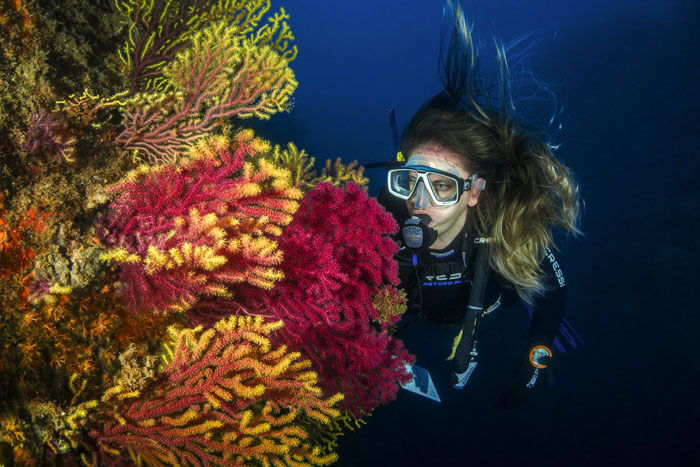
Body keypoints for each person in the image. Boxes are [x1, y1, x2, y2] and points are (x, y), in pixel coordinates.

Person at [377, 1, 582, 409]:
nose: (419, 202)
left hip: (483, 309)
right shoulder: (380, 222)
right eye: (410, 182)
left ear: (473, 192)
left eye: (442, 186)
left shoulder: (504, 231)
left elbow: (553, 295)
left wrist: (535, 363)